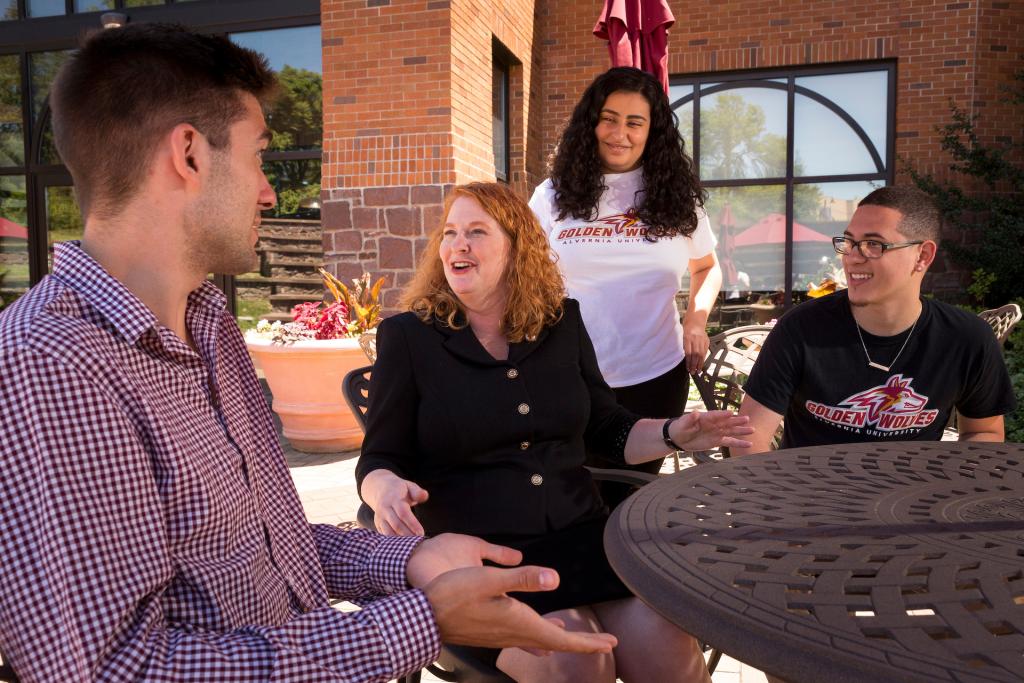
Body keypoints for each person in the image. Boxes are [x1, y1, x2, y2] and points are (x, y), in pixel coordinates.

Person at [0, 25, 619, 682]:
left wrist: (410, 561)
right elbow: (108, 671)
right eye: (258, 157)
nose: (268, 191)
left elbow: (271, 545)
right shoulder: (51, 363)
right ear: (187, 154)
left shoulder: (208, 324)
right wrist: (422, 618)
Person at [357, 182, 752, 682]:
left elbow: (608, 430)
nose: (458, 244)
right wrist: (385, 489)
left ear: (517, 245)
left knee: (670, 649)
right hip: (478, 558)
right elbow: (377, 459)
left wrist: (677, 432)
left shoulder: (562, 322)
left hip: (582, 539)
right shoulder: (409, 338)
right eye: (450, 233)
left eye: (476, 232)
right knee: (576, 660)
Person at [529, 66, 722, 480]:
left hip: (654, 373)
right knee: (573, 491)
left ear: (653, 131)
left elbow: (706, 267)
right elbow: (522, 275)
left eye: (635, 122)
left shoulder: (676, 198)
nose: (620, 133)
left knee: (632, 496)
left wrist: (696, 319)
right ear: (591, 122)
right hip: (568, 375)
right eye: (609, 118)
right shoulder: (551, 196)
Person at [732, 186, 1015, 455]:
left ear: (922, 256)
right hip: (811, 499)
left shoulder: (966, 338)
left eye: (873, 244)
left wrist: (947, 489)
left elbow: (985, 432)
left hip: (911, 500)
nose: (853, 258)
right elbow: (747, 438)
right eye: (850, 242)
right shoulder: (801, 329)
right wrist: (777, 499)